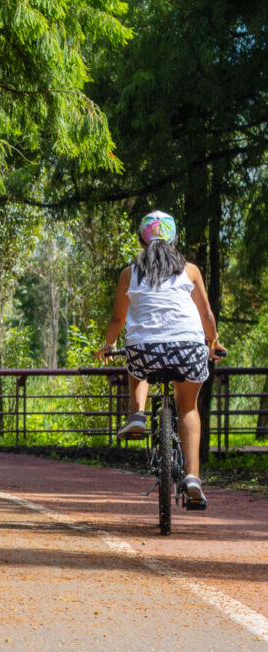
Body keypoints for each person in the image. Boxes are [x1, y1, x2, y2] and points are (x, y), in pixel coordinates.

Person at [94, 210, 225, 507]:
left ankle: (137, 414)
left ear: (142, 241)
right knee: (188, 408)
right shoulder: (190, 271)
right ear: (174, 240)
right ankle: (193, 477)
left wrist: (107, 345)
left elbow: (118, 319)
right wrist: (213, 342)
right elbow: (206, 314)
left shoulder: (129, 273)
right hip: (188, 349)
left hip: (145, 351)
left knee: (136, 355)